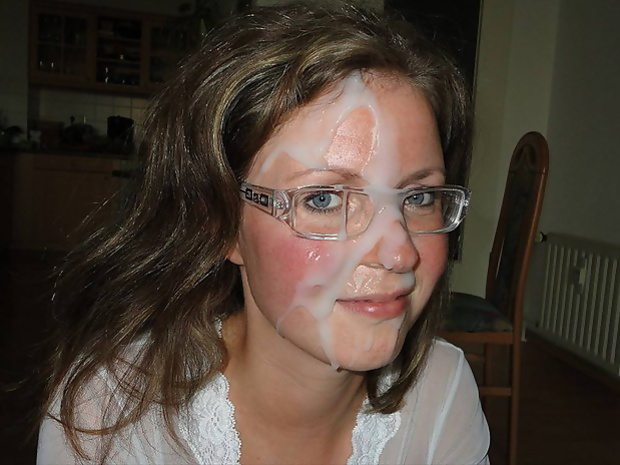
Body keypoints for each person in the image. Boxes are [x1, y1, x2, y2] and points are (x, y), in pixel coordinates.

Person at [36, 2, 490, 464]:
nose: (399, 254)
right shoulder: (105, 418)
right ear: (222, 223)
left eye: (418, 197)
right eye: (323, 200)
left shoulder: (443, 393)